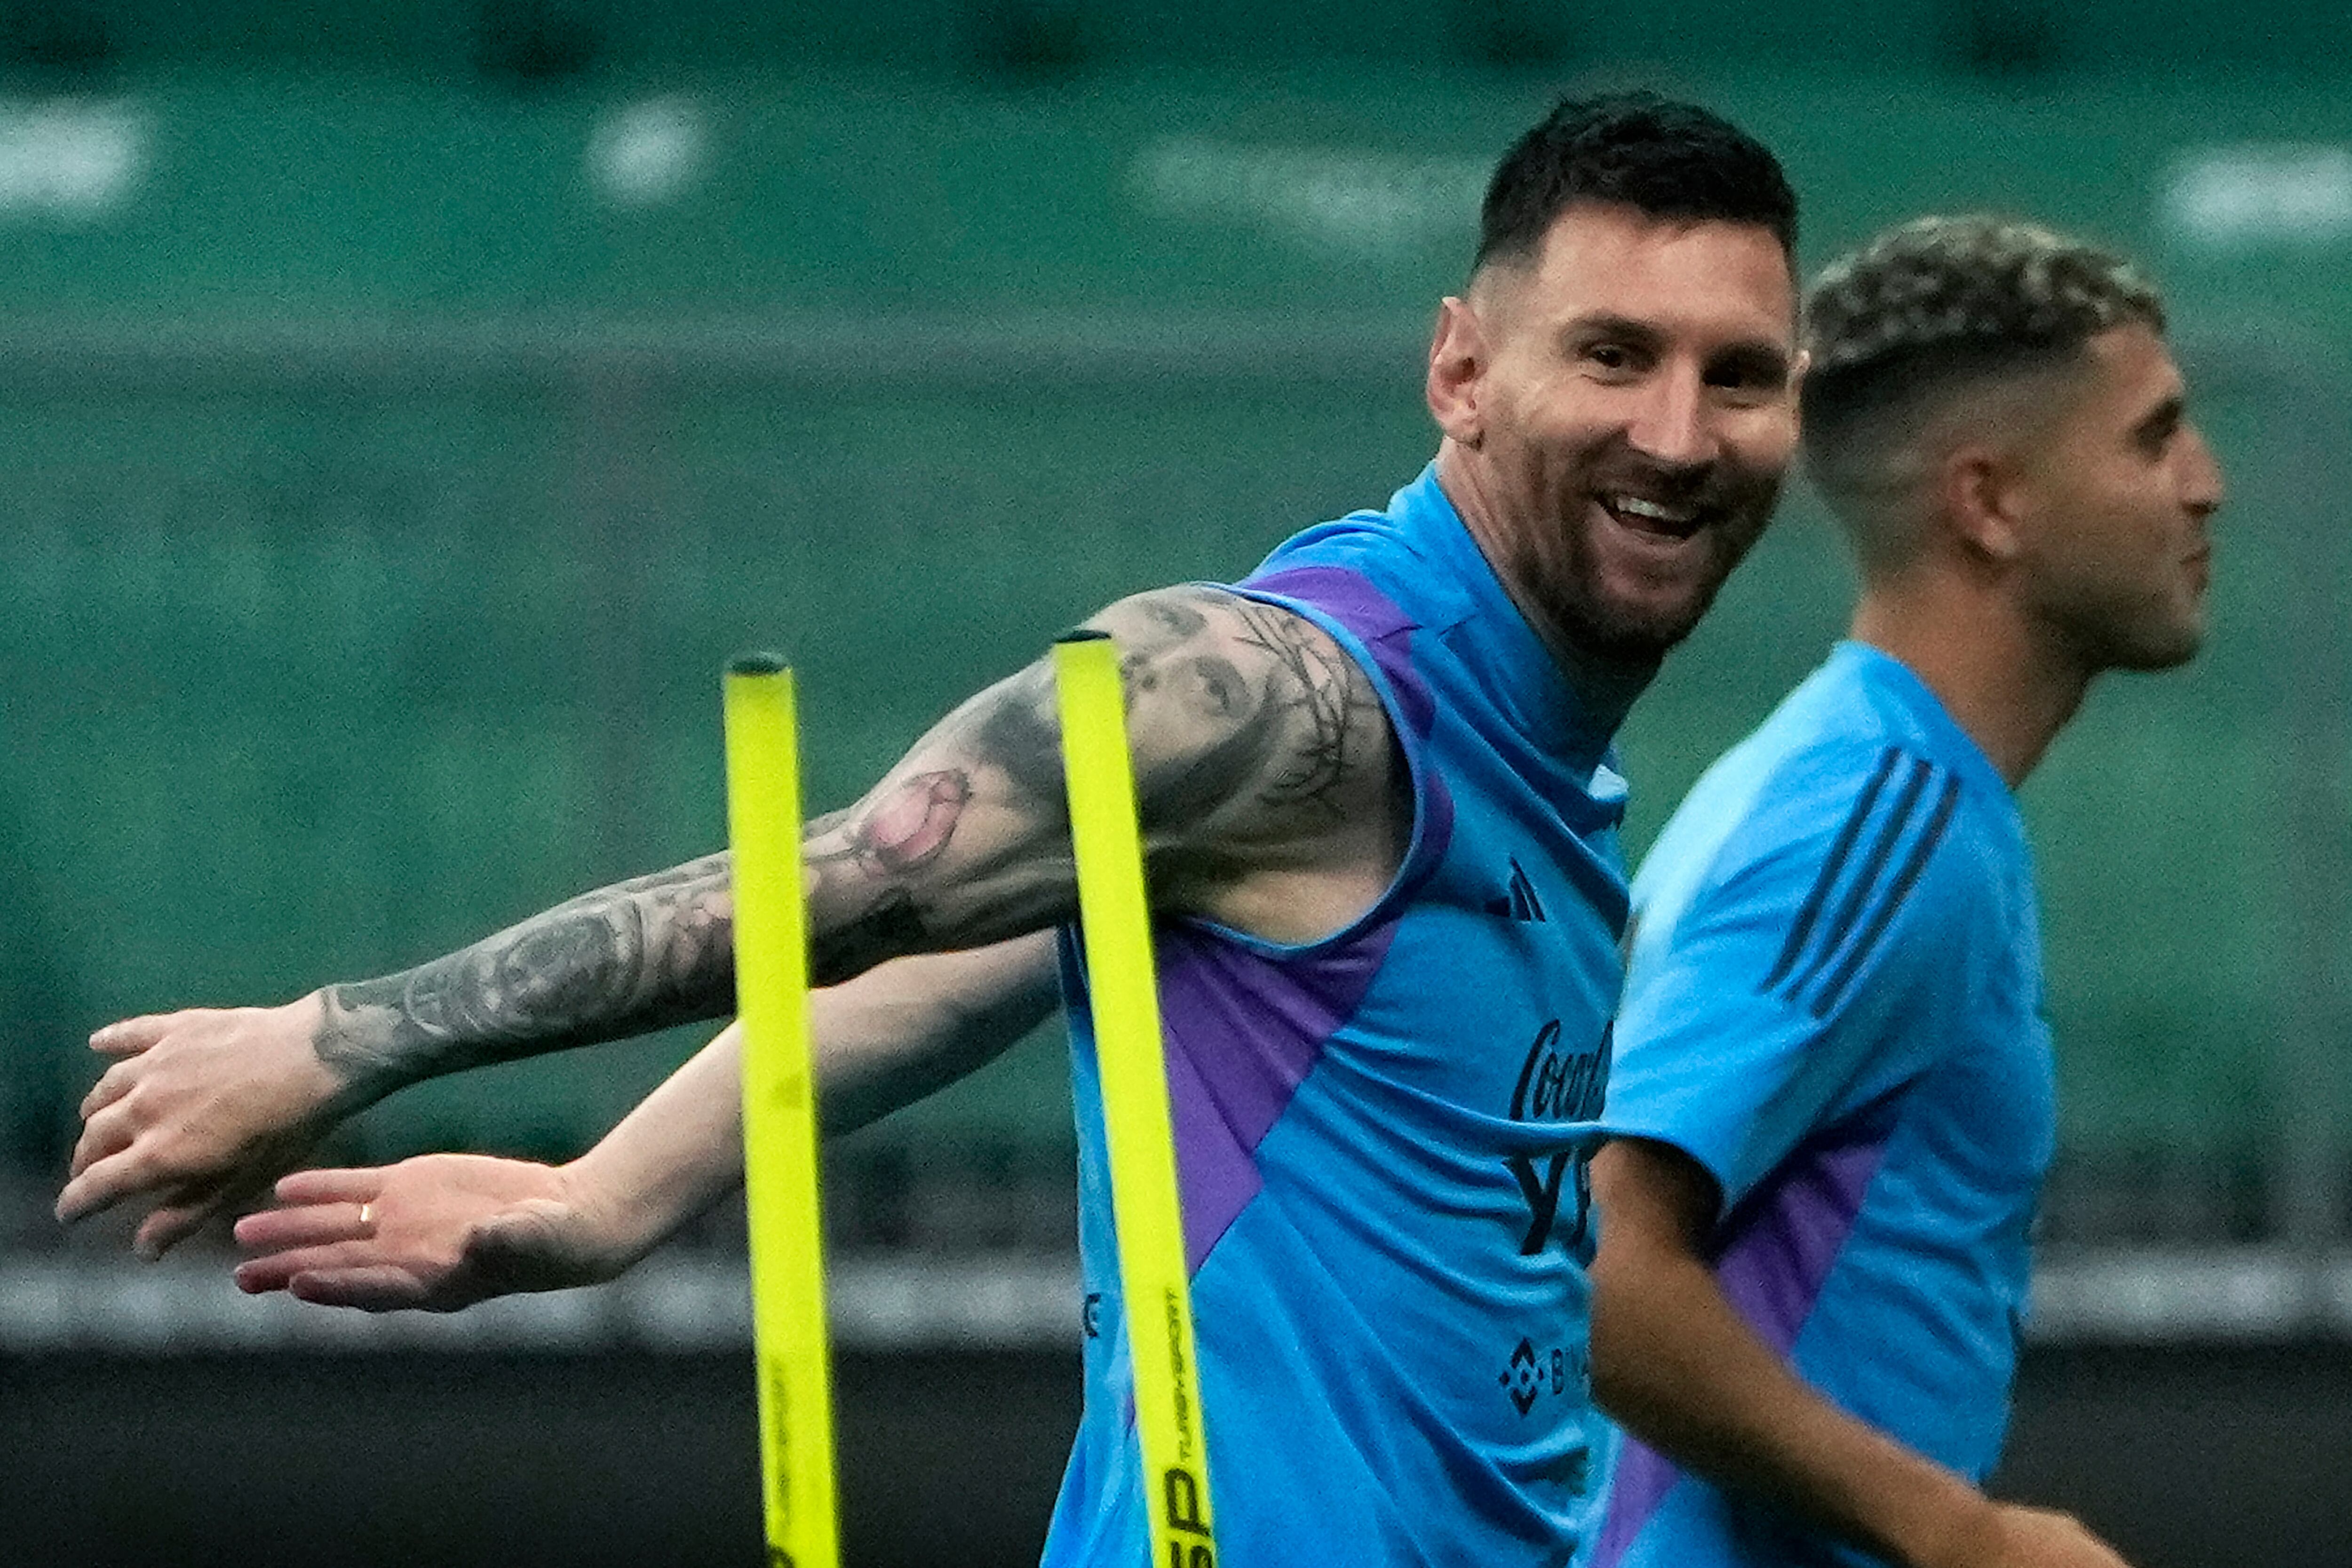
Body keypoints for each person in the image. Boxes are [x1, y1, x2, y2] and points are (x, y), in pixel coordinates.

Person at [57, 92, 1805, 1565]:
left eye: (1740, 375)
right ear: (1462, 366)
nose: (1678, 432)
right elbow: (867, 879)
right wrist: (341, 1039)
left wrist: (614, 1193)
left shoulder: (1533, 745)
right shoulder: (1291, 696)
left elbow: (970, 956)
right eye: (1613, 357)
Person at [1587, 215, 2220, 1568]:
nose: (2205, 486)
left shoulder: (1867, 786)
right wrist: (1961, 1534)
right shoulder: (1879, 818)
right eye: (2153, 439)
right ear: (1990, 503)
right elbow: (1596, 1259)